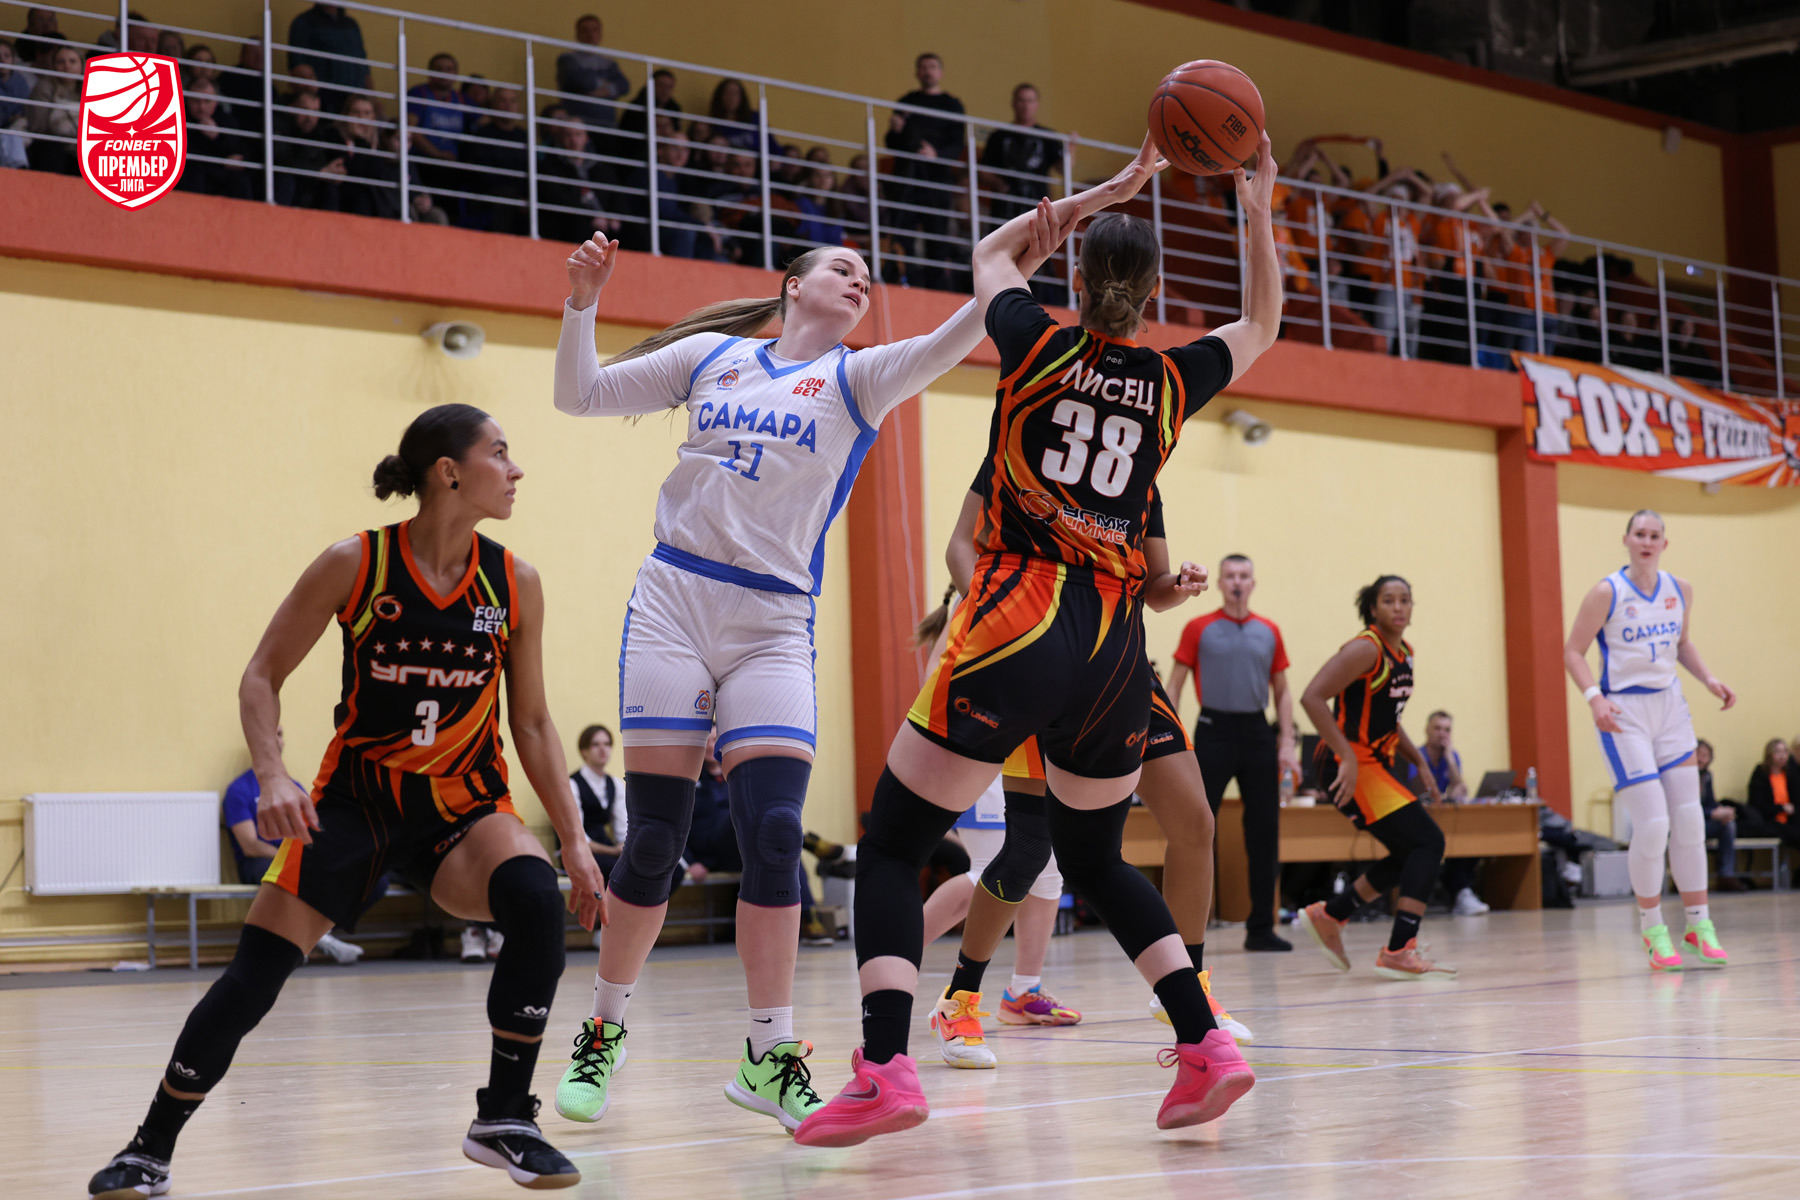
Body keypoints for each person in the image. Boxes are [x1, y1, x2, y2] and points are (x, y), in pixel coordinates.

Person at [797, 132, 1282, 1148]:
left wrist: (1108, 188)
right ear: (1153, 293)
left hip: (1019, 617)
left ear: (1077, 280)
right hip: (1113, 648)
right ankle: (1205, 1043)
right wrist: (1256, 209)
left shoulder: (1035, 340)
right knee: (1095, 859)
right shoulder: (1171, 380)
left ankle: (885, 1068)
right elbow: (1264, 321)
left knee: (891, 847)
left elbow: (990, 253)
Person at [548, 189, 1024, 1132]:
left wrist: (1010, 262)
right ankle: (603, 1028)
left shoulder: (859, 378)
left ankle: (768, 1054)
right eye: (842, 267)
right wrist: (581, 303)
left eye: (867, 278)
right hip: (676, 601)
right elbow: (580, 394)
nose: (859, 281)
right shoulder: (711, 358)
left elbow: (958, 337)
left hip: (772, 621)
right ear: (793, 285)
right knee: (654, 840)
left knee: (774, 834)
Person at [84, 405, 606, 1198]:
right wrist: (272, 774)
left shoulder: (515, 582)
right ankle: (148, 1149)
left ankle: (504, 1118)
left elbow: (530, 722)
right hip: (356, 803)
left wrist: (573, 840)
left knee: (536, 898)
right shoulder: (356, 563)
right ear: (449, 472)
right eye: (500, 453)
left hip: (464, 807)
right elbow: (261, 675)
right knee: (254, 976)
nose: (516, 469)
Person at [918, 479, 1254, 1067]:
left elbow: (1154, 589)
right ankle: (960, 998)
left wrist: (1178, 585)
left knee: (1196, 823)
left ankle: (1188, 988)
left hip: (1121, 665)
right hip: (1040, 658)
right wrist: (1004, 619)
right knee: (1028, 851)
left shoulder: (1143, 479)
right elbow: (959, 546)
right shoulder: (1029, 452)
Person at [1562, 509, 1735, 971]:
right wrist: (1594, 698)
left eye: (1654, 534)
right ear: (1626, 539)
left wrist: (1709, 679)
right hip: (1624, 712)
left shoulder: (1680, 589)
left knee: (1690, 819)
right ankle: (1653, 928)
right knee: (1654, 823)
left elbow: (1683, 644)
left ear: (1664, 543)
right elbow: (1573, 651)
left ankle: (1698, 925)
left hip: (1670, 709)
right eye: (1639, 533)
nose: (1646, 540)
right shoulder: (1607, 592)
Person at [1295, 576, 1457, 981]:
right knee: (1429, 841)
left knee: (1409, 852)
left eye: (1405, 600)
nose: (1398, 607)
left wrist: (1419, 761)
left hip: (1374, 761)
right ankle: (1400, 949)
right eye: (1389, 600)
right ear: (1373, 608)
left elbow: (1388, 719)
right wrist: (1347, 755)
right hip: (1346, 762)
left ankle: (1332, 914)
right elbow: (1312, 697)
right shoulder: (1365, 648)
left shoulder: (1405, 654)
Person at [1167, 554, 1299, 951]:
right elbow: (1175, 684)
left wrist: (1287, 742)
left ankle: (1261, 929)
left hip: (1257, 732)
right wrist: (1166, 738)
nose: (1237, 581)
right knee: (1197, 825)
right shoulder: (1198, 628)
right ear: (1221, 584)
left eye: (1243, 575)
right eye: (1230, 576)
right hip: (1213, 731)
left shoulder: (1269, 631)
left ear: (1252, 583)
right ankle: (1185, 930)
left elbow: (1283, 691)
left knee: (1264, 829)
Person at [885, 53, 965, 289]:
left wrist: (936, 155)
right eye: (923, 67)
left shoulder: (952, 105)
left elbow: (957, 144)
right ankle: (906, 283)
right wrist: (895, 131)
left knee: (937, 237)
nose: (928, 71)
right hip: (908, 179)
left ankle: (936, 288)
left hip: (937, 180)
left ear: (940, 72)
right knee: (904, 236)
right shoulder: (906, 101)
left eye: (932, 67)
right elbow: (891, 143)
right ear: (917, 73)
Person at [1410, 710, 1490, 916]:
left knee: (1473, 836)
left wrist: (1450, 760)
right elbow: (1416, 789)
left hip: (1446, 817)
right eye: (1437, 728)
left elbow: (1460, 789)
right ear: (1427, 730)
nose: (1442, 734)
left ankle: (1461, 892)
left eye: (1446, 730)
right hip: (1420, 818)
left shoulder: (1451, 757)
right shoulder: (1415, 756)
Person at [566, 723, 626, 877]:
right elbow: (577, 837)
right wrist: (613, 851)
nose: (603, 749)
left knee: (663, 870)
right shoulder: (572, 784)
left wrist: (626, 847)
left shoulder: (615, 784)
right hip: (578, 852)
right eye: (595, 745)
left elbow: (622, 830)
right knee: (619, 871)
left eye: (607, 744)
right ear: (584, 751)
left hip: (607, 850)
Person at [286, 4, 370, 113]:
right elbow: (297, 66)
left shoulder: (351, 24)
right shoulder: (304, 22)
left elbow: (364, 66)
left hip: (354, 101)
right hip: (323, 100)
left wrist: (372, 97)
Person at [556, 14, 630, 129]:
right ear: (578, 35)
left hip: (607, 124)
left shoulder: (609, 62)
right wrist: (607, 87)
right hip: (577, 126)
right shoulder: (567, 59)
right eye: (585, 31)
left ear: (600, 34)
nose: (590, 35)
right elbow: (582, 82)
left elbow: (624, 86)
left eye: (594, 30)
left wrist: (596, 87)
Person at [1693, 739, 1744, 891]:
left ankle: (1726, 875)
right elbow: (1680, 807)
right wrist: (1712, 813)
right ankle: (1689, 878)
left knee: (1727, 824)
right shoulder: (1682, 775)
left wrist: (1723, 811)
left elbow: (1710, 802)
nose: (1701, 759)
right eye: (1698, 754)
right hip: (1685, 822)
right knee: (1690, 829)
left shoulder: (1707, 776)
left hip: (1703, 821)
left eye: (1705, 756)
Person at [24, 42, 79, 175]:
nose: (67, 66)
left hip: (81, 146)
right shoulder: (44, 87)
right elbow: (38, 127)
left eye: (72, 61)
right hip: (53, 144)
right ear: (53, 66)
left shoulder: (92, 89)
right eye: (61, 62)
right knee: (52, 149)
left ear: (81, 65)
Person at [1745, 738, 1800, 850]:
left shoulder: (1790, 774)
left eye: (1785, 752)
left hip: (1789, 820)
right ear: (1769, 754)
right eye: (1778, 752)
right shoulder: (1761, 774)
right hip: (1768, 821)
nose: (1782, 756)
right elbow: (1757, 804)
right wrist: (1781, 808)